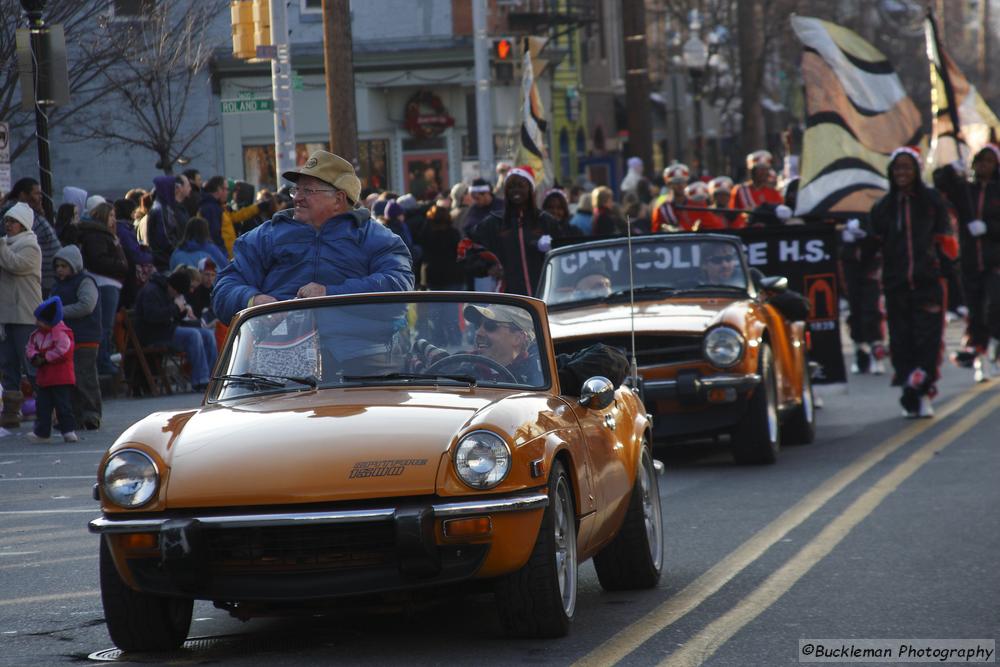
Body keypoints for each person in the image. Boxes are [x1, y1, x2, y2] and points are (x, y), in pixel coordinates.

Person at [212, 150, 414, 325]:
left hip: (361, 358)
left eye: (308, 190)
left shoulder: (376, 237)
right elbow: (224, 289)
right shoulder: (266, 236)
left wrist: (329, 294)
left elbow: (399, 285)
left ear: (339, 199)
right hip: (277, 357)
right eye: (296, 189)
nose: (298, 197)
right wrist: (253, 301)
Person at [864, 146, 957, 418]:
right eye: (897, 168)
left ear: (916, 171)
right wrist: (857, 239)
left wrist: (950, 278)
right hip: (895, 285)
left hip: (928, 282)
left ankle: (924, 391)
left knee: (927, 340)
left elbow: (947, 242)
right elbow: (871, 246)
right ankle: (909, 389)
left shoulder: (931, 201)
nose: (902, 173)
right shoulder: (882, 207)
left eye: (907, 167)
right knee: (901, 342)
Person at [940, 145, 1000, 382]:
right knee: (975, 311)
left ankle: (994, 346)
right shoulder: (965, 190)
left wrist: (990, 228)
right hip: (969, 262)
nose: (984, 166)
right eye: (980, 161)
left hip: (995, 260)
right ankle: (980, 356)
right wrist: (952, 168)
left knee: (993, 305)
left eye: (989, 161)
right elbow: (940, 184)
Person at [467, 166, 567, 296]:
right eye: (511, 187)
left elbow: (564, 255)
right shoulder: (495, 222)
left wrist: (552, 248)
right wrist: (487, 268)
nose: (515, 190)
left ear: (531, 188)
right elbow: (465, 248)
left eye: (521, 186)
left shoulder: (545, 221)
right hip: (509, 300)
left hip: (544, 296)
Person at [134, 269, 215, 392]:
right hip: (154, 334)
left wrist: (182, 310)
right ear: (175, 289)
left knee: (208, 334)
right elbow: (152, 316)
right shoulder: (151, 291)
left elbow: (173, 316)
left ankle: (213, 378)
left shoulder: (168, 291)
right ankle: (200, 381)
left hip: (167, 329)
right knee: (193, 335)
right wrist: (176, 307)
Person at [50, 245, 102, 430]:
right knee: (69, 379)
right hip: (64, 339)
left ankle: (91, 414)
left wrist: (59, 313)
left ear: (74, 265)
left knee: (85, 377)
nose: (59, 270)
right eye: (57, 266)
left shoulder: (85, 281)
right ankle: (73, 417)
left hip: (85, 337)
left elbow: (87, 305)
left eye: (64, 266)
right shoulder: (57, 286)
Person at [0, 203, 42, 429]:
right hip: (6, 316)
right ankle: (10, 412)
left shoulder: (30, 246)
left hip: (25, 315)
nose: (8, 225)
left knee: (31, 364)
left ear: (23, 224)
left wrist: (0, 245)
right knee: (8, 365)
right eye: (6, 221)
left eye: (12, 221)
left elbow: (14, 265)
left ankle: (46, 408)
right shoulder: (5, 245)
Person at [76, 202, 128, 376]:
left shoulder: (104, 234)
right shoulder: (97, 235)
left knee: (107, 324)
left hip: (111, 282)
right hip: (105, 283)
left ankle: (104, 360)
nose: (114, 219)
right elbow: (98, 260)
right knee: (105, 325)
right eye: (111, 215)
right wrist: (120, 265)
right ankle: (103, 361)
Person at [25, 296, 78, 443]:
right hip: (44, 378)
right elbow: (29, 347)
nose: (37, 323)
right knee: (42, 407)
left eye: (40, 320)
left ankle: (68, 430)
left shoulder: (61, 334)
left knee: (63, 406)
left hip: (61, 378)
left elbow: (64, 350)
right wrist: (34, 356)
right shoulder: (36, 335)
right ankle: (42, 433)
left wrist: (46, 357)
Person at [1, 178, 61, 298]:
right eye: (36, 193)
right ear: (23, 195)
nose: (40, 197)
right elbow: (15, 263)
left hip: (46, 279)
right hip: (29, 287)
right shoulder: (15, 215)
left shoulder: (32, 215)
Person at [142, 175, 190, 271]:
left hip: (164, 260)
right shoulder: (161, 210)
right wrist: (181, 251)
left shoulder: (162, 207)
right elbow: (166, 239)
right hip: (165, 261)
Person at [729, 150, 783, 228]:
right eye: (760, 169)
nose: (763, 172)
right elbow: (732, 216)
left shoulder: (774, 192)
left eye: (766, 169)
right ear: (752, 171)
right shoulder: (739, 190)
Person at [651, 163, 690, 232]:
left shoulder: (695, 203)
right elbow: (655, 231)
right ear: (669, 184)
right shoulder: (661, 205)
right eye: (676, 182)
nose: (680, 185)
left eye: (683, 181)